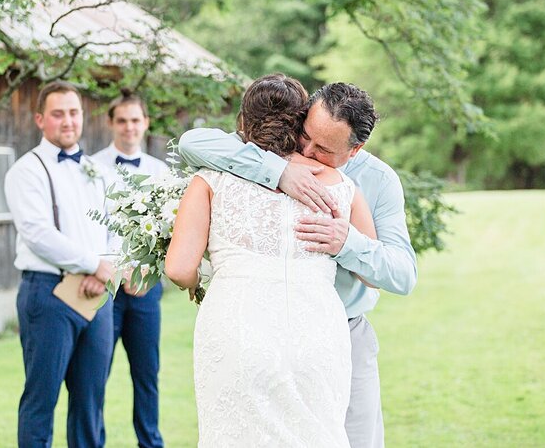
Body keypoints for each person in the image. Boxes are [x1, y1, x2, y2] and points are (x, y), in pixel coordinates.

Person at [178, 80, 418, 448]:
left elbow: (402, 274)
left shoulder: (379, 181)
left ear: (355, 150)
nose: (305, 150)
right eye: (306, 134)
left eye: (324, 149)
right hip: (259, 328)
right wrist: (278, 171)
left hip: (341, 332)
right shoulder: (269, 150)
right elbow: (192, 143)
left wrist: (347, 243)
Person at [4, 80, 116, 448]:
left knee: (91, 402)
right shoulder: (26, 171)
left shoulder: (97, 171)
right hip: (48, 294)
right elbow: (38, 233)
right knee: (42, 399)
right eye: (57, 114)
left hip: (96, 297)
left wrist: (104, 269)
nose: (67, 121)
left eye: (73, 112)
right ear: (40, 119)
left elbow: (115, 229)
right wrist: (93, 264)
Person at [91, 94, 167, 448]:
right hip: (103, 289)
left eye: (135, 120)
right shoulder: (91, 168)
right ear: (111, 123)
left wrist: (147, 275)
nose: (129, 127)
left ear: (145, 122)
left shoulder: (161, 172)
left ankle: (150, 443)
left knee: (147, 374)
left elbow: (169, 233)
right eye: (122, 120)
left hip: (145, 290)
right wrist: (112, 270)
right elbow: (89, 228)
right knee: (95, 373)